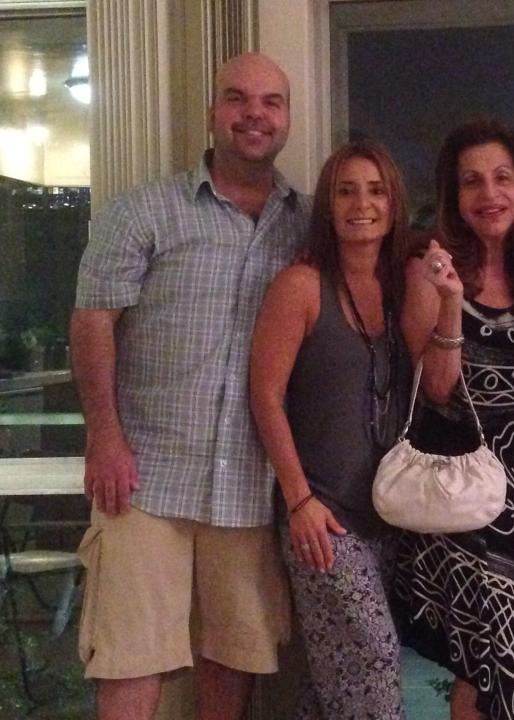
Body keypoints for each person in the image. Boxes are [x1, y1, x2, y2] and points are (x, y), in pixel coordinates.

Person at [69, 53, 307, 720]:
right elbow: (93, 323)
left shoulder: (307, 224)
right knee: (129, 656)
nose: (254, 114)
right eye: (237, 98)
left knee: (233, 658)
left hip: (249, 486)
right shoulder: (143, 211)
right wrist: (104, 437)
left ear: (286, 118)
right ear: (213, 112)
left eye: (271, 102)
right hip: (143, 479)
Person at [395, 119, 514, 720]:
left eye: (501, 178)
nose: (489, 194)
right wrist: (449, 303)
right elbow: (437, 388)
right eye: (472, 182)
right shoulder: (432, 269)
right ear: (453, 194)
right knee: (483, 672)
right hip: (468, 508)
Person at [249, 139, 411, 720]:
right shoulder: (301, 286)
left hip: (390, 519)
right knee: (372, 663)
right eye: (346, 191)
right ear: (328, 206)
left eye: (375, 190)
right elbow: (264, 395)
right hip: (322, 518)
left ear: (394, 203)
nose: (361, 204)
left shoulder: (402, 288)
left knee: (330, 686)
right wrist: (299, 500)